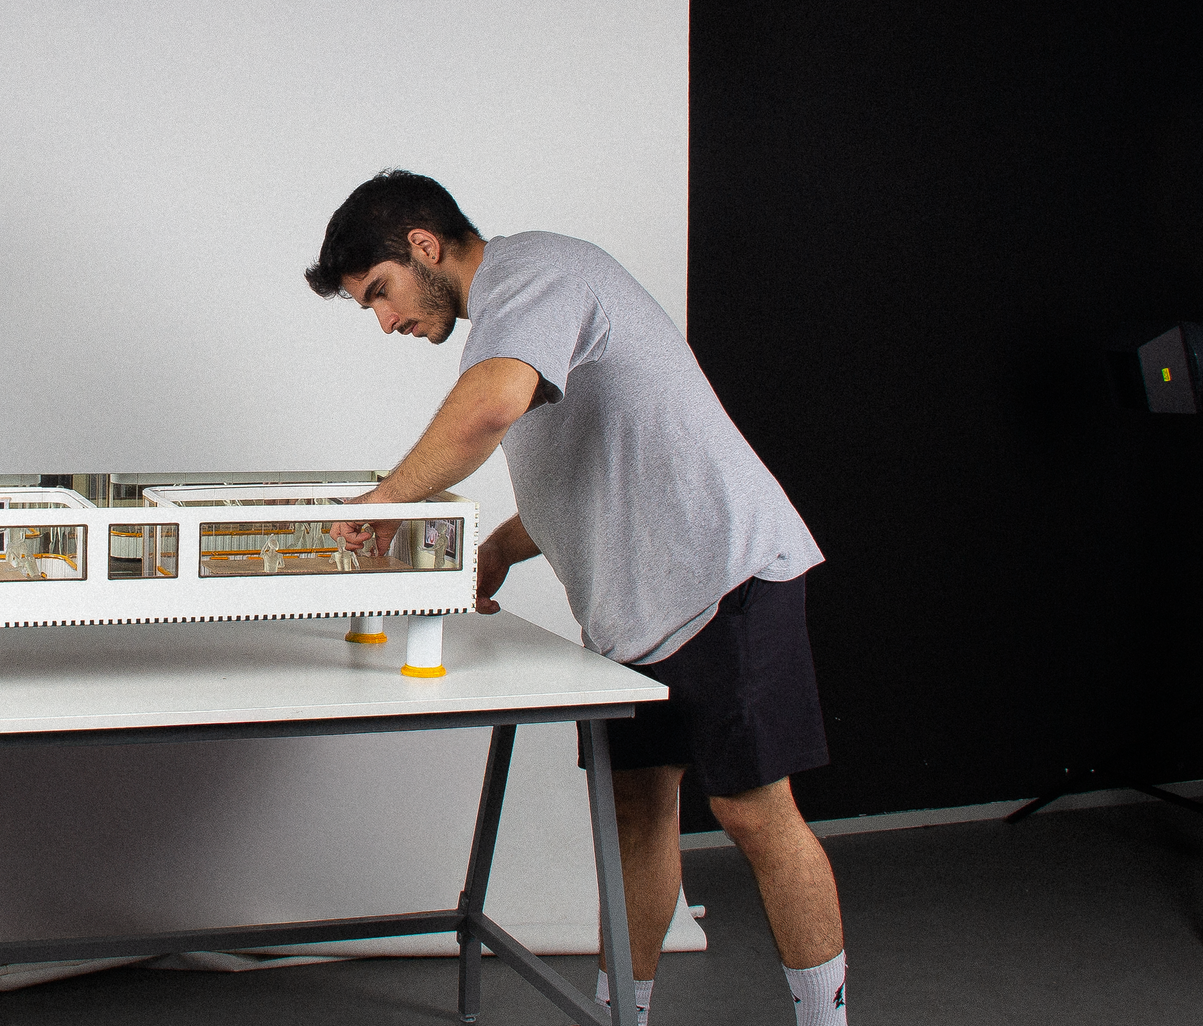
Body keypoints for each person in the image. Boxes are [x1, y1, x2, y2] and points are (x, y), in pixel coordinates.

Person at [304, 170, 848, 1026]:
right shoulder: (519, 318)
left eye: (381, 293)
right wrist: (498, 550)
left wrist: (385, 504)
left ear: (422, 246)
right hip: (637, 618)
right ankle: (622, 1014)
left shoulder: (536, 277)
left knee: (754, 815)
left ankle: (828, 1020)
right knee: (635, 816)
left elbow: (487, 411)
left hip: (727, 576)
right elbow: (583, 476)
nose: (386, 321)